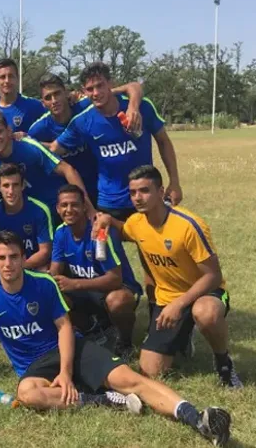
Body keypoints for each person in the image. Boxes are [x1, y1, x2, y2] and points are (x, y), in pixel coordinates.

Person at [0, 231, 231, 447]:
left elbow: (64, 327)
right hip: (34, 366)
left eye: (14, 257)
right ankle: (105, 399)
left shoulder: (43, 284)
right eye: (1, 258)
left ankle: (197, 418)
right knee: (27, 394)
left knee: (131, 380)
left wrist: (65, 372)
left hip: (72, 348)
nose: (8, 264)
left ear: (24, 258)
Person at [95, 165, 241, 388]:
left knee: (206, 313)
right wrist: (107, 219)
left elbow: (213, 276)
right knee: (151, 370)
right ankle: (184, 334)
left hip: (205, 293)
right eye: (133, 192)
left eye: (144, 190)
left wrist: (179, 304)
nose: (137, 198)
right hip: (167, 299)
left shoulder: (188, 225)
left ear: (161, 192)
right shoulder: (137, 222)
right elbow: (125, 229)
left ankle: (224, 364)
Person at [49, 62, 182, 220]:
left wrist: (174, 182)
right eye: (90, 89)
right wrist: (27, 141)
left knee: (155, 236)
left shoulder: (141, 107)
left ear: (110, 84)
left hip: (146, 195)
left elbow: (163, 141)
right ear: (84, 91)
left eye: (100, 85)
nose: (96, 93)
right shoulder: (82, 121)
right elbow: (54, 148)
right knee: (107, 237)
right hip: (110, 203)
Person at [50, 185, 142, 359]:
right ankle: (92, 330)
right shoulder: (61, 232)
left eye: (74, 205)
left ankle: (125, 343)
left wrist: (75, 284)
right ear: (57, 208)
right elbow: (55, 269)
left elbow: (115, 279)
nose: (69, 210)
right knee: (52, 295)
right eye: (64, 205)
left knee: (118, 301)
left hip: (114, 289)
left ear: (84, 206)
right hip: (85, 291)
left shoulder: (99, 232)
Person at [28, 73, 144, 208]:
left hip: (101, 187)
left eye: (57, 94)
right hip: (70, 195)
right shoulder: (38, 129)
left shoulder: (86, 106)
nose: (54, 100)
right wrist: (26, 140)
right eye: (48, 97)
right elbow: (44, 150)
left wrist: (133, 107)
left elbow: (134, 86)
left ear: (66, 93)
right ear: (43, 103)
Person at [0, 109, 94, 218]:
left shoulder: (29, 148)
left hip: (54, 210)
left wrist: (89, 209)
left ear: (9, 130)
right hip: (22, 217)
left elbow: (68, 170)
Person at [0, 163, 53, 271]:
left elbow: (45, 251)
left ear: (23, 185)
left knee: (44, 270)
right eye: (6, 186)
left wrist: (19, 267)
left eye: (15, 185)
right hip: (5, 268)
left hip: (33, 266)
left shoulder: (39, 210)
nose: (11, 191)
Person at [0, 58, 46, 135]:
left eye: (11, 76)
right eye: (3, 77)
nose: (7, 81)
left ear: (17, 78)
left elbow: (50, 136)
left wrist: (28, 138)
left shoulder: (34, 106)